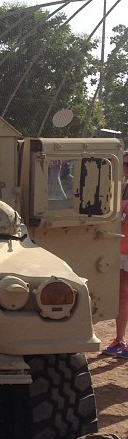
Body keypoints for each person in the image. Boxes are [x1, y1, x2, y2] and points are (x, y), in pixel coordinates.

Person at [102, 150, 128, 359]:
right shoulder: (123, 189)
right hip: (120, 249)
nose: (125, 167)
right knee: (122, 295)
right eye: (124, 163)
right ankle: (119, 340)